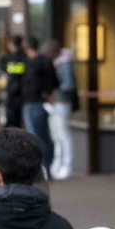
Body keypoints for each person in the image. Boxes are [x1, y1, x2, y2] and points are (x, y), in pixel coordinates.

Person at [19, 37, 59, 173]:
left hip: (33, 103)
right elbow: (55, 82)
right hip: (42, 103)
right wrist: (48, 95)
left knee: (37, 138)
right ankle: (46, 166)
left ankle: (42, 168)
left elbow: (32, 84)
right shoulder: (46, 61)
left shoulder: (32, 63)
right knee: (43, 136)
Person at [49, 45, 77, 180]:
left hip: (61, 102)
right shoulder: (58, 62)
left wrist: (54, 92)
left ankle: (67, 165)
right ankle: (58, 162)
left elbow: (68, 84)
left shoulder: (65, 62)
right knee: (56, 135)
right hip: (55, 102)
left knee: (63, 134)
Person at [1, 35, 25, 129]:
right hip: (21, 92)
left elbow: (8, 74)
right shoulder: (24, 57)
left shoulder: (9, 58)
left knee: (11, 119)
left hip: (13, 92)